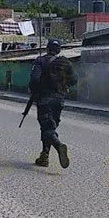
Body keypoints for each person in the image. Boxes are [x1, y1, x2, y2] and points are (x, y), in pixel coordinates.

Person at [28, 39, 76, 168]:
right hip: (60, 99)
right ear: (59, 50)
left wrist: (35, 91)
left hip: (45, 99)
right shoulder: (65, 63)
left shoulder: (40, 61)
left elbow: (34, 80)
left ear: (47, 48)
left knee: (47, 127)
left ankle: (59, 146)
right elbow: (73, 81)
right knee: (50, 126)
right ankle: (44, 156)